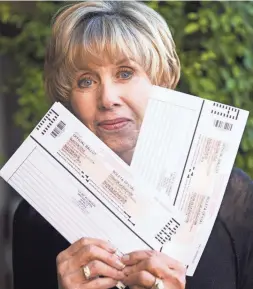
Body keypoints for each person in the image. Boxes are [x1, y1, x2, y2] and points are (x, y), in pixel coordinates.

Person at [12, 1, 253, 289]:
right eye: (86, 81)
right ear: (69, 99)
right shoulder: (36, 218)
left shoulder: (232, 200)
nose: (107, 98)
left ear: (161, 80)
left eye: (125, 73)